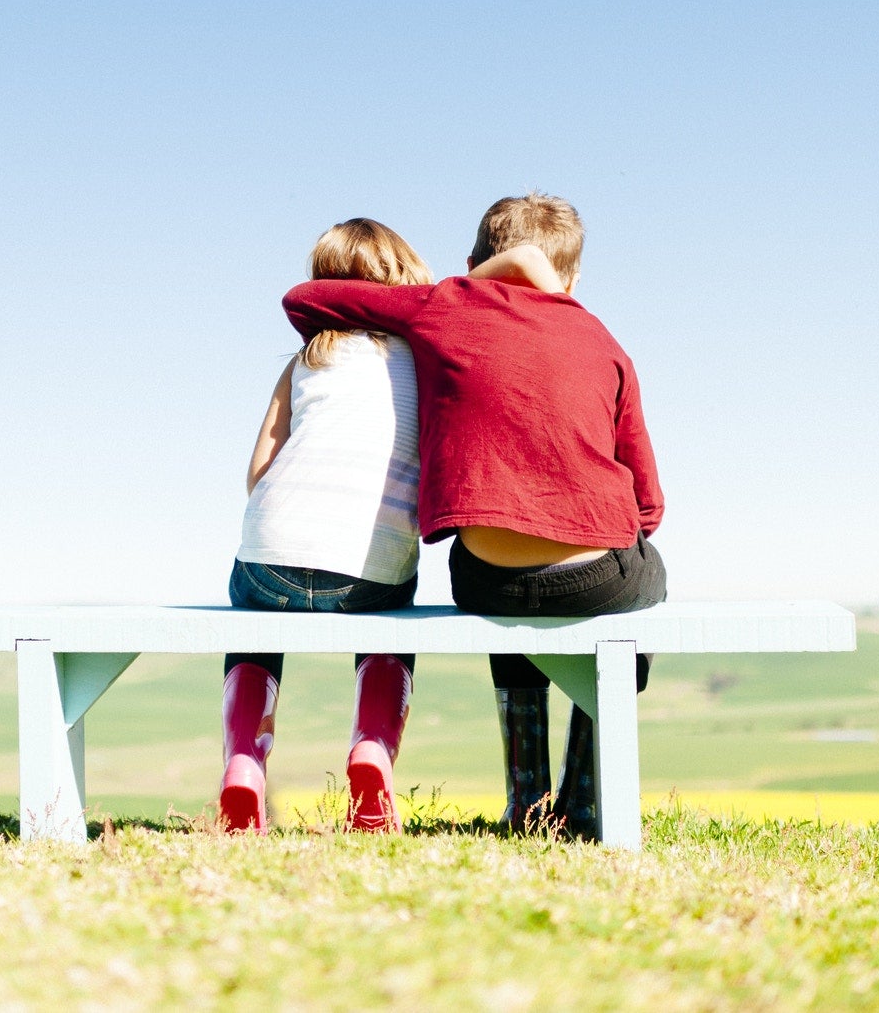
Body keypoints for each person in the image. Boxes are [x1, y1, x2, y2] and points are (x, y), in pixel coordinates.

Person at [280, 194, 665, 837]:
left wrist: (461, 286)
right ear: (572, 278)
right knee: (643, 597)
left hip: (486, 578)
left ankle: (527, 800)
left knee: (509, 585)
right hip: (596, 575)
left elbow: (303, 298)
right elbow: (648, 505)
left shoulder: (444, 306)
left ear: (470, 263)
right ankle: (586, 798)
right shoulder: (603, 340)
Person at [223, 218, 551, 833]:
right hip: (369, 575)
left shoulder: (306, 360)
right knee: (390, 621)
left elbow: (260, 468)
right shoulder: (432, 363)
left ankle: (243, 763)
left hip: (270, 561)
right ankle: (372, 749)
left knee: (252, 629)